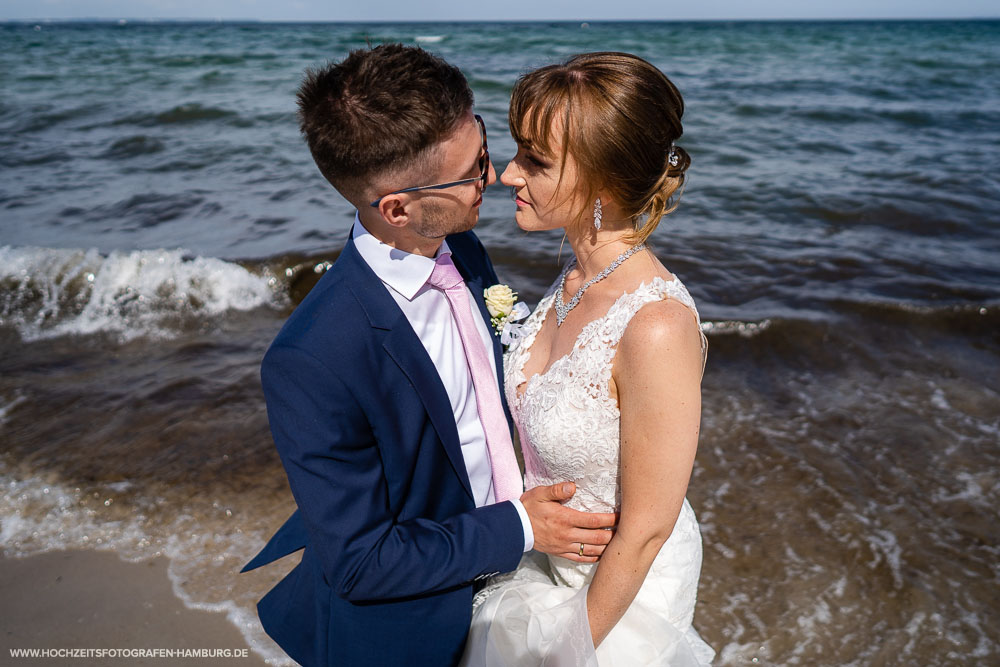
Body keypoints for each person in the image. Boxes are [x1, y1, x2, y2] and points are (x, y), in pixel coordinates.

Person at [240, 44, 619, 667]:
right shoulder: (312, 357)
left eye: (485, 149)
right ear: (396, 208)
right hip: (413, 633)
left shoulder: (460, 249)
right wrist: (521, 528)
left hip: (519, 586)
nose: (492, 179)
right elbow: (361, 562)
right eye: (471, 172)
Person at [460, 52, 715, 665]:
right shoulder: (572, 282)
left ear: (601, 183)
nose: (506, 176)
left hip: (623, 597)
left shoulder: (656, 326)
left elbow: (648, 529)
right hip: (545, 566)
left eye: (535, 161)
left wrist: (565, 654)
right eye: (518, 151)